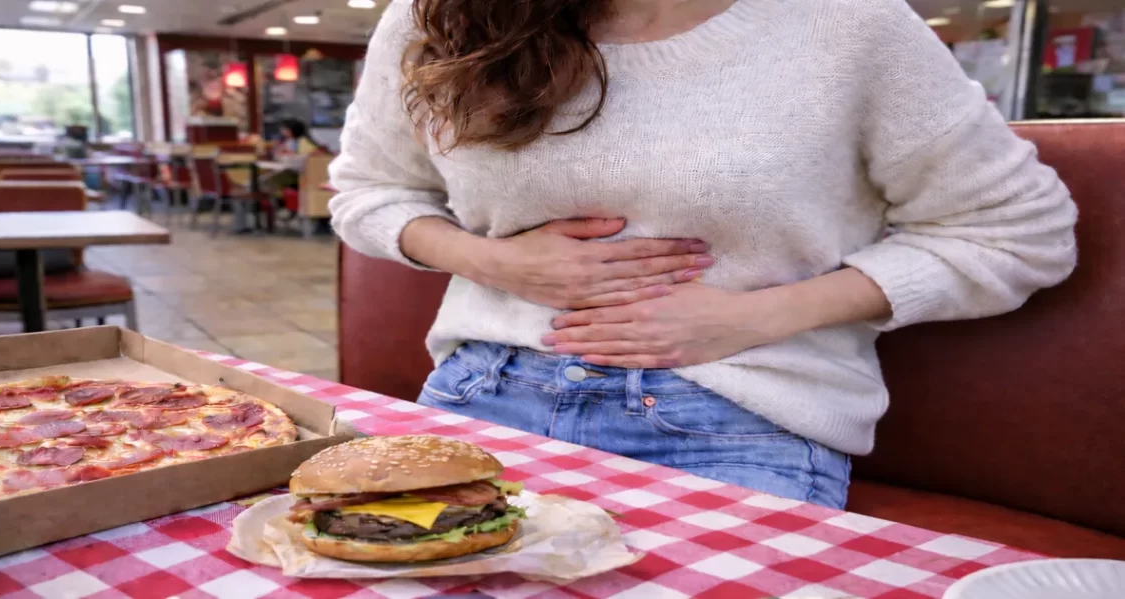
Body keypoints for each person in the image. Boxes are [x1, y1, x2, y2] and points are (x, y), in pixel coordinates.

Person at [329, 0, 1078, 509]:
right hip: (485, 387)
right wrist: (492, 261)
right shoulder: (445, 16)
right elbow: (367, 192)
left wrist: (752, 317)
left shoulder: (851, 25)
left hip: (736, 409)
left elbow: (1021, 229)